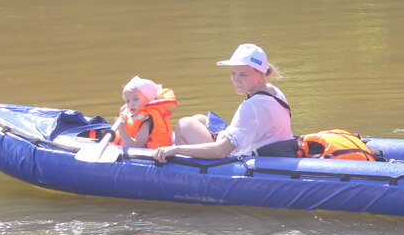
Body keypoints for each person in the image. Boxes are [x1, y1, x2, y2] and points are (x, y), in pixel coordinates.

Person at [153, 43, 295, 163]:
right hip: (274, 149)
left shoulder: (251, 106)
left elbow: (221, 151)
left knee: (185, 124)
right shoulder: (274, 91)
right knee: (199, 119)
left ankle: (185, 174)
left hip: (249, 158)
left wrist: (175, 149)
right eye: (233, 73)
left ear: (261, 75)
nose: (236, 80)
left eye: (243, 74)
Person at [112, 76, 178, 149]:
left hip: (152, 155)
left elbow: (136, 145)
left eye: (136, 99)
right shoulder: (134, 113)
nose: (131, 104)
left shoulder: (147, 121)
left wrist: (121, 129)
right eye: (128, 101)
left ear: (149, 100)